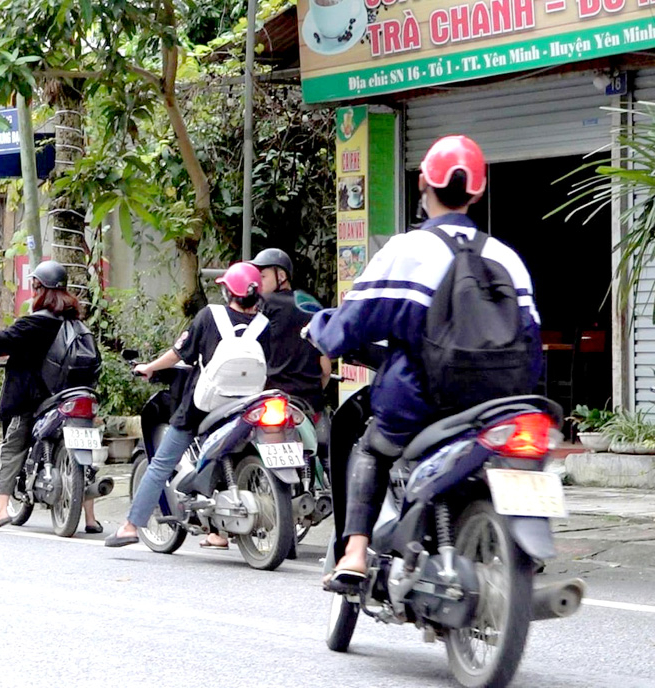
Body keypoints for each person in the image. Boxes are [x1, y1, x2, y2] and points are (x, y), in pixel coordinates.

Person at [307, 135, 542, 590]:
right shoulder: (507, 259)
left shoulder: (408, 250)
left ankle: (354, 551)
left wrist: (318, 328)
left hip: (421, 404)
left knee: (372, 446)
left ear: (422, 184)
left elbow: (347, 329)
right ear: (478, 191)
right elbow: (531, 346)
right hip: (504, 408)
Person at [105, 262, 269, 549]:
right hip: (246, 406)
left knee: (160, 465)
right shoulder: (264, 326)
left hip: (203, 406)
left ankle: (131, 525)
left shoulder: (210, 316)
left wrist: (148, 367)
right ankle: (218, 532)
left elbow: (178, 354)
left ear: (228, 291)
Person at [0, 261, 102, 534]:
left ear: (39, 288)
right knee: (84, 450)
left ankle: (0, 510)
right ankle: (91, 518)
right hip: (72, 397)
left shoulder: (36, 322)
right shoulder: (77, 324)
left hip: (35, 400)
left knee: (12, 446)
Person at [249, 248, 330, 413]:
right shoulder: (311, 305)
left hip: (270, 402)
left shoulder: (262, 304)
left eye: (262, 276)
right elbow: (326, 369)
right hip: (309, 405)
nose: (258, 282)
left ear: (281, 276)